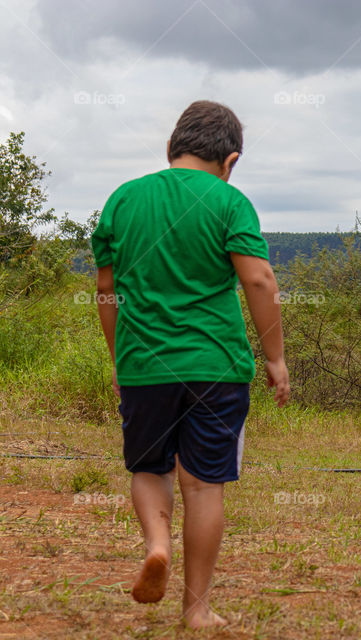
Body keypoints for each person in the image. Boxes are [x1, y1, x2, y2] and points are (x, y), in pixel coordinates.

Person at [92, 100, 290, 629]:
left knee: (148, 467)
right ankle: (197, 608)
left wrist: (120, 358)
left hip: (144, 366)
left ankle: (157, 544)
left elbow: (107, 291)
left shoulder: (123, 199)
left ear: (171, 149)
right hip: (216, 367)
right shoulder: (229, 201)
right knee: (203, 485)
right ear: (231, 159)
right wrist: (275, 358)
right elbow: (259, 281)